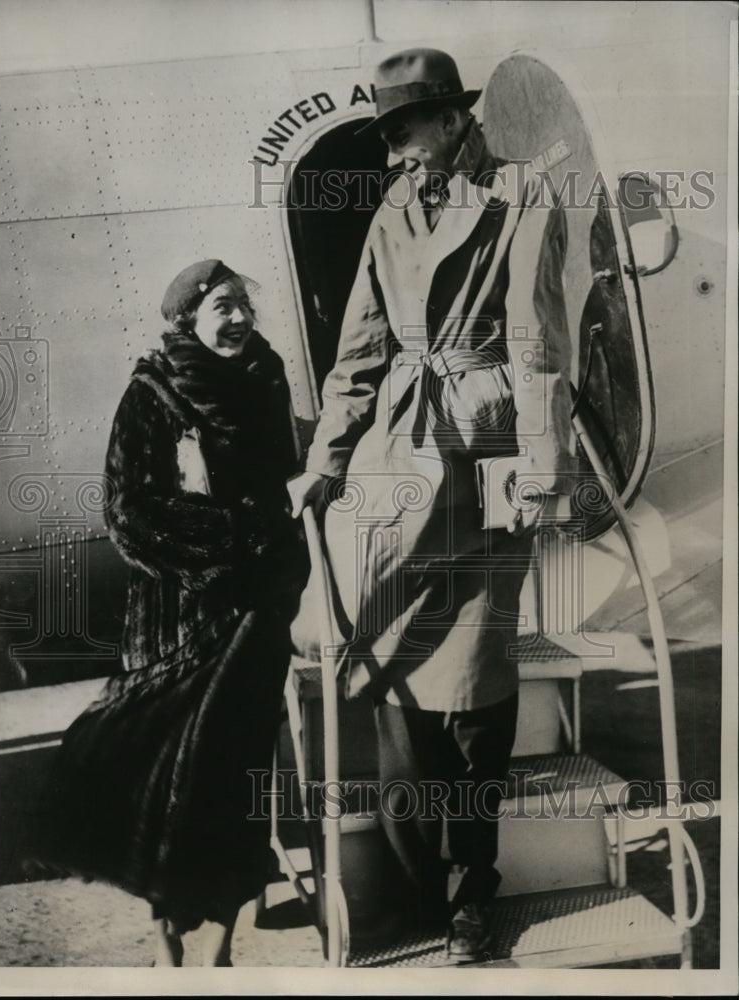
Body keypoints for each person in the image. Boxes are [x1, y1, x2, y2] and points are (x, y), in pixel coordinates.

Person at [288, 49, 573, 961]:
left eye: (405, 134)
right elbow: (359, 354)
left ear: (453, 120)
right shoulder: (393, 208)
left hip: (487, 453)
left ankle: (473, 887)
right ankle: (411, 882)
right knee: (381, 662)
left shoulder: (524, 195)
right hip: (394, 459)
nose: (395, 156)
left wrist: (542, 467)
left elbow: (537, 342)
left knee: (477, 680)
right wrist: (325, 461)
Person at [30, 259, 307, 967]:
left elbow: (281, 476)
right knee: (165, 784)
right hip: (181, 620)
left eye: (244, 303)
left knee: (236, 777)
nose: (239, 318)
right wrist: (222, 545)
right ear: (187, 319)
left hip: (257, 613)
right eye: (222, 306)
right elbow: (127, 514)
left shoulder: (264, 377)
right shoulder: (153, 393)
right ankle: (165, 933)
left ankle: (215, 946)